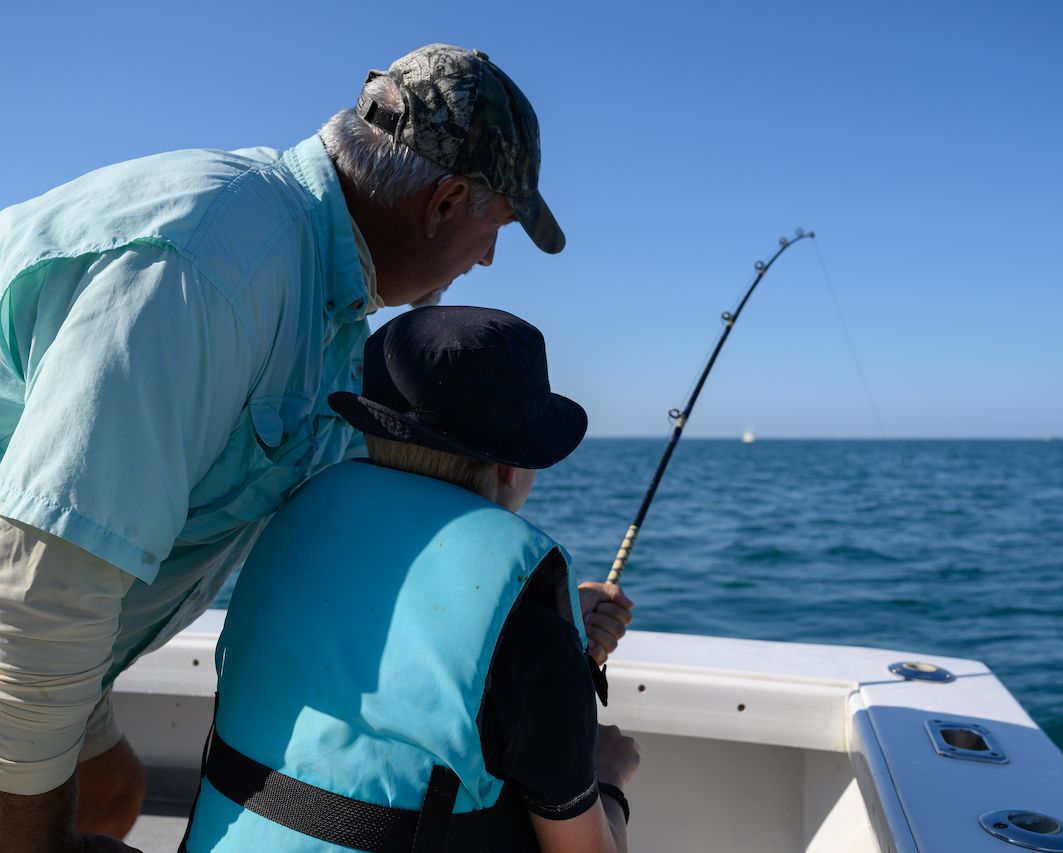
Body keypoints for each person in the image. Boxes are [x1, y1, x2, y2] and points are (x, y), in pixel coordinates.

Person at [0, 44, 632, 852]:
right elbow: (37, 599)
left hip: (68, 652)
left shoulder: (326, 314)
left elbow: (357, 554)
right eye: (494, 228)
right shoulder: (212, 268)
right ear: (445, 202)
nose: (487, 259)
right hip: (24, 630)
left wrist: (529, 619)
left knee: (115, 787)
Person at [182, 306, 639, 853]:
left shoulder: (291, 524)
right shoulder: (533, 640)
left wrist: (557, 632)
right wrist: (606, 776)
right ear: (512, 466)